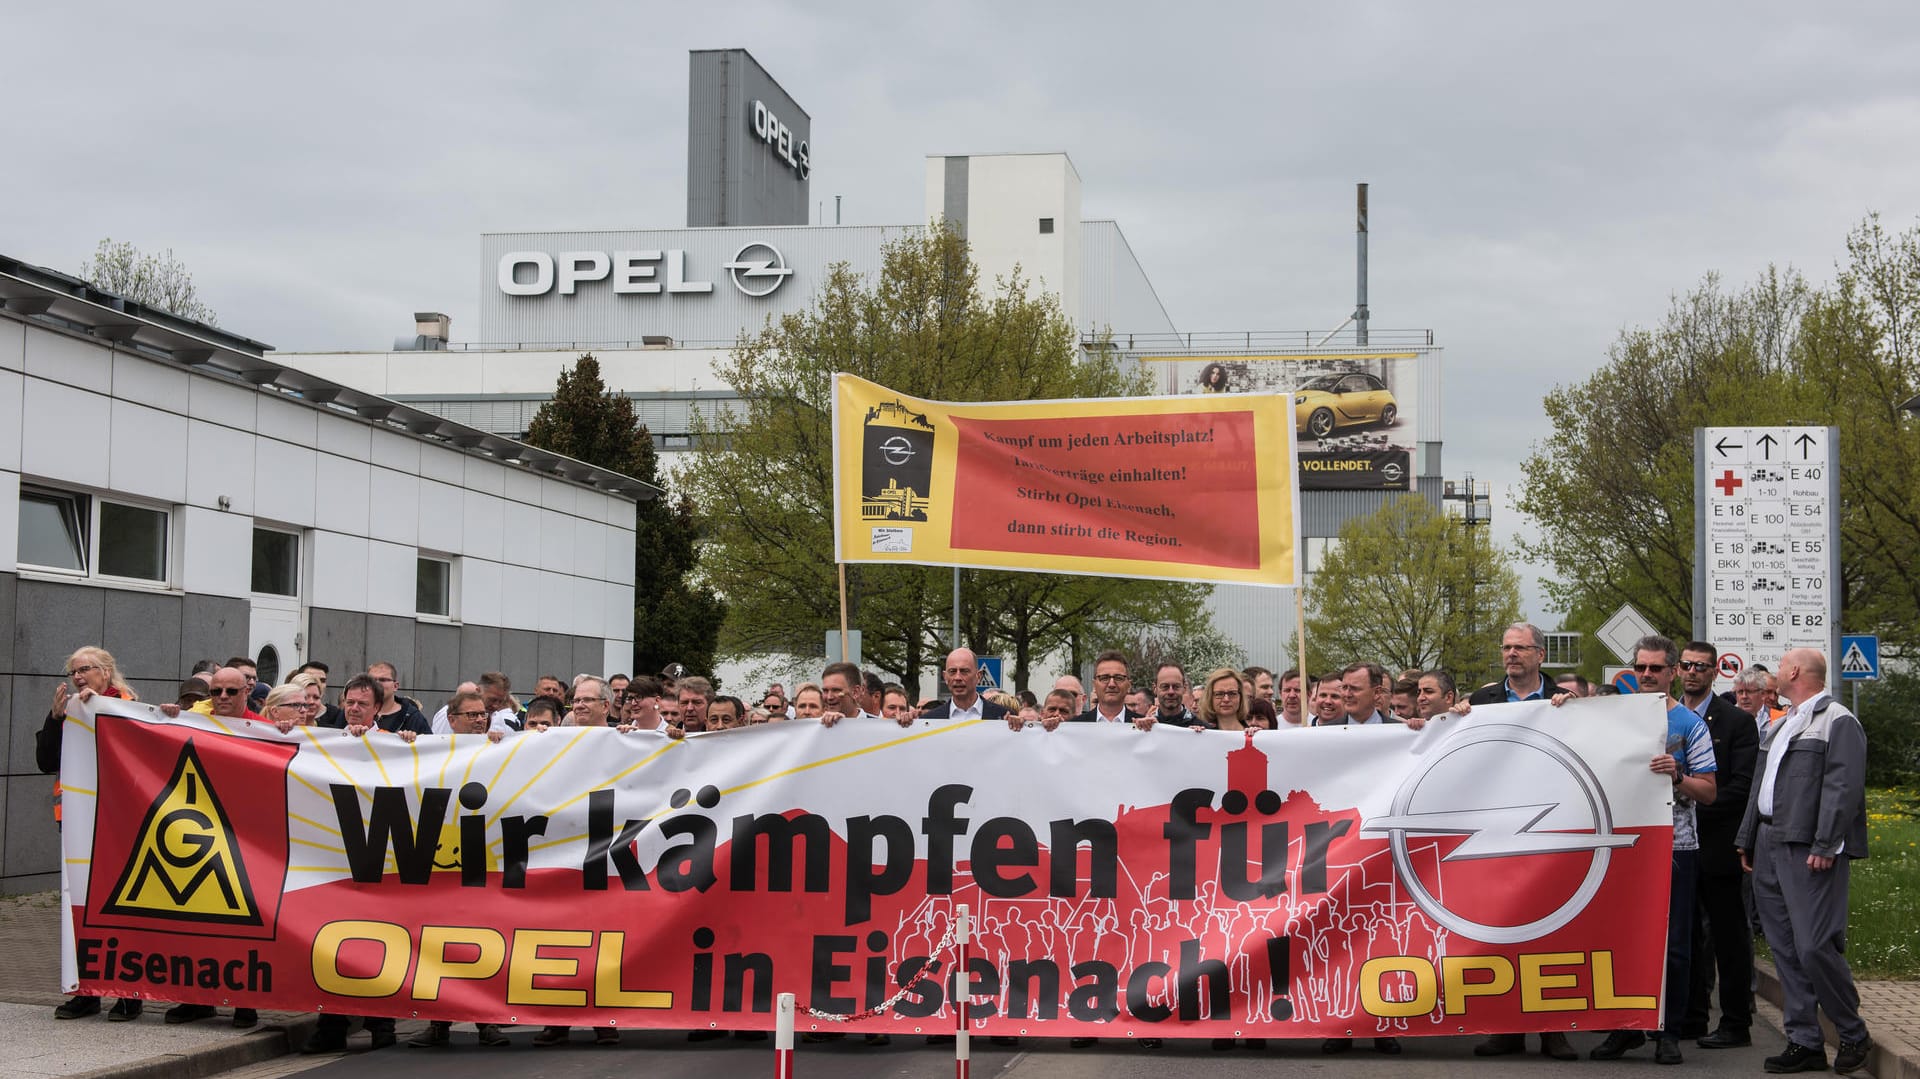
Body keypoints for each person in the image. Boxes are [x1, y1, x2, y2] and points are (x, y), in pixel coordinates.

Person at [1736, 649, 1873, 1076]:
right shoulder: (1782, 723)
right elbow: (1761, 785)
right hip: (1769, 840)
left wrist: (1826, 841)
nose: (1777, 670)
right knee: (1785, 947)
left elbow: (1843, 786)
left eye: (1781, 665)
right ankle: (1804, 1040)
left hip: (1808, 846)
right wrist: (1747, 838)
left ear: (1794, 672)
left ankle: (1852, 1032)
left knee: (1814, 945)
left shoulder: (1838, 720)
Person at [1589, 634, 1716, 1066]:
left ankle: (1669, 1032)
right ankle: (1624, 1029)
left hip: (1676, 846)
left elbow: (1710, 792)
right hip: (1623, 844)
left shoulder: (1690, 724)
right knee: (1619, 939)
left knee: (1675, 945)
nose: (1646, 675)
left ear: (1673, 671)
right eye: (1641, 667)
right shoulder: (1611, 716)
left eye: (1656, 668)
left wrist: (1678, 776)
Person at [40, 647, 146, 1022]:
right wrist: (55, 719)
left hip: (119, 826)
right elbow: (45, 760)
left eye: (84, 669)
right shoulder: (70, 708)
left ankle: (128, 992)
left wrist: (100, 709)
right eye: (73, 672)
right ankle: (84, 991)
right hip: (76, 826)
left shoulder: (128, 705)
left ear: (106, 670)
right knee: (78, 913)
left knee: (119, 910)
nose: (77, 677)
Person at [1672, 642, 1759, 1049]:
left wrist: (1692, 799)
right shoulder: (1663, 716)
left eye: (1701, 667)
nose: (1692, 672)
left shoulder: (1735, 722)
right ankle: (1690, 1016)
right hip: (1675, 847)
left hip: (1716, 843)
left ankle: (1736, 1022)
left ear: (1714, 672)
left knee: (1728, 937)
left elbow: (1740, 787)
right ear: (1677, 670)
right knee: (1684, 934)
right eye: (1686, 665)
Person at [1468, 623, 1559, 704]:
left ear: (1540, 655)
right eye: (1507, 648)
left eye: (1520, 648)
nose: (1511, 653)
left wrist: (1569, 707)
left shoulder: (1564, 701)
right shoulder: (1480, 700)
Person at [919, 648, 1009, 721]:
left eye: (964, 671)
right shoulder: (929, 719)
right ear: (945, 677)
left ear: (979, 676)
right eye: (952, 671)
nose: (958, 677)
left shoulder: (1003, 717)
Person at [1071, 652, 1145, 725]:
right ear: (1094, 685)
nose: (1111, 684)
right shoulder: (1075, 726)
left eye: (1118, 678)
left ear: (1129, 685)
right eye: (1104, 678)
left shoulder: (1145, 727)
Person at [1147, 663, 1202, 728]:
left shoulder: (1203, 730)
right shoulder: (1143, 729)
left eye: (1176, 686)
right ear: (1155, 689)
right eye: (1165, 686)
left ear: (1184, 688)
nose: (1171, 692)